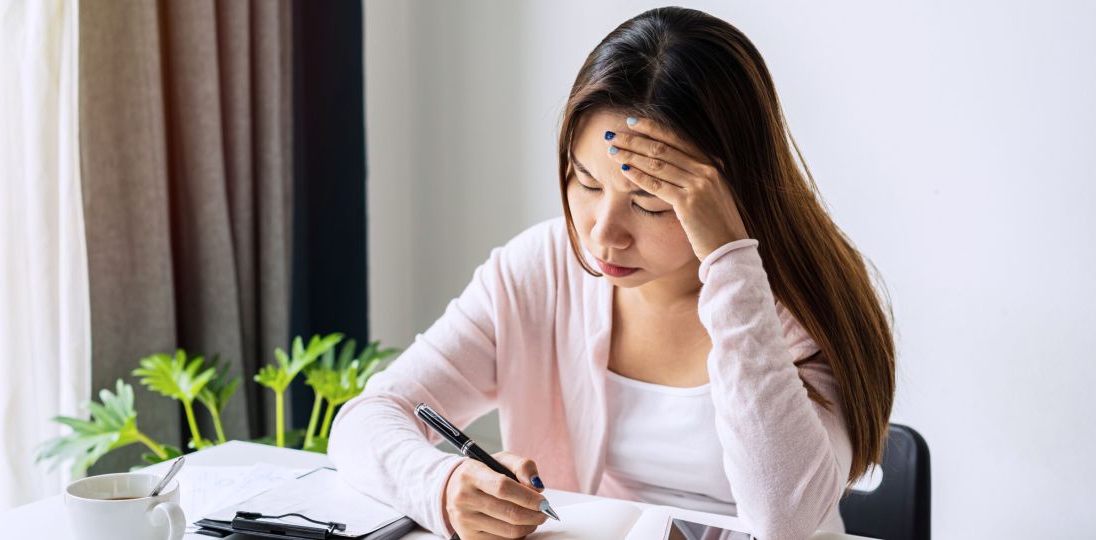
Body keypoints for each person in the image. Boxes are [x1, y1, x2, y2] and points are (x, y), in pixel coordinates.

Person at [329, 6, 895, 540]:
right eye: (587, 183)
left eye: (649, 203)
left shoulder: (806, 302)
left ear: (728, 191)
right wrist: (443, 485)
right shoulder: (542, 270)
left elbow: (784, 521)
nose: (603, 233)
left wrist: (729, 262)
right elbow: (367, 419)